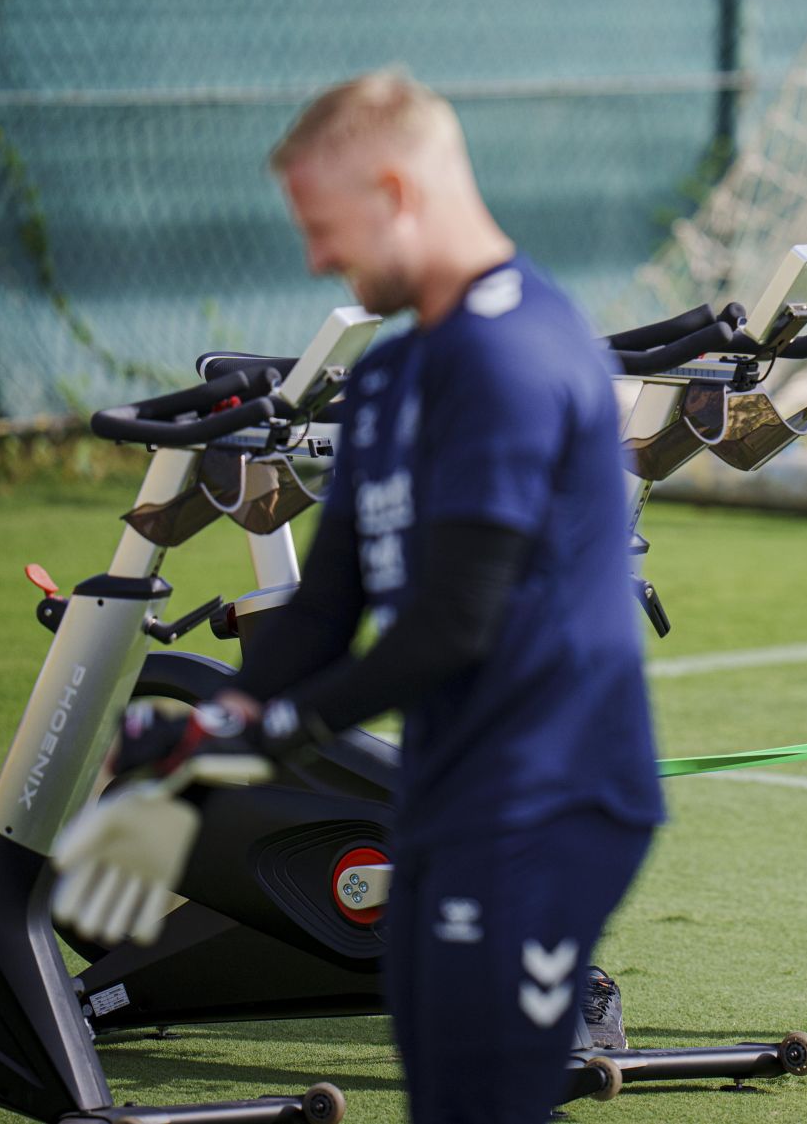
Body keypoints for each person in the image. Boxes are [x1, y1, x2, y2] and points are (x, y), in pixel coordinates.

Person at [108, 70, 664, 1122]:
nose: (317, 257)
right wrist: (217, 721)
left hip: (550, 801)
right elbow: (324, 607)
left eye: (326, 228)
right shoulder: (395, 373)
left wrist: (272, 728)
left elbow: (459, 622)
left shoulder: (512, 352)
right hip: (451, 796)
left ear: (397, 190)